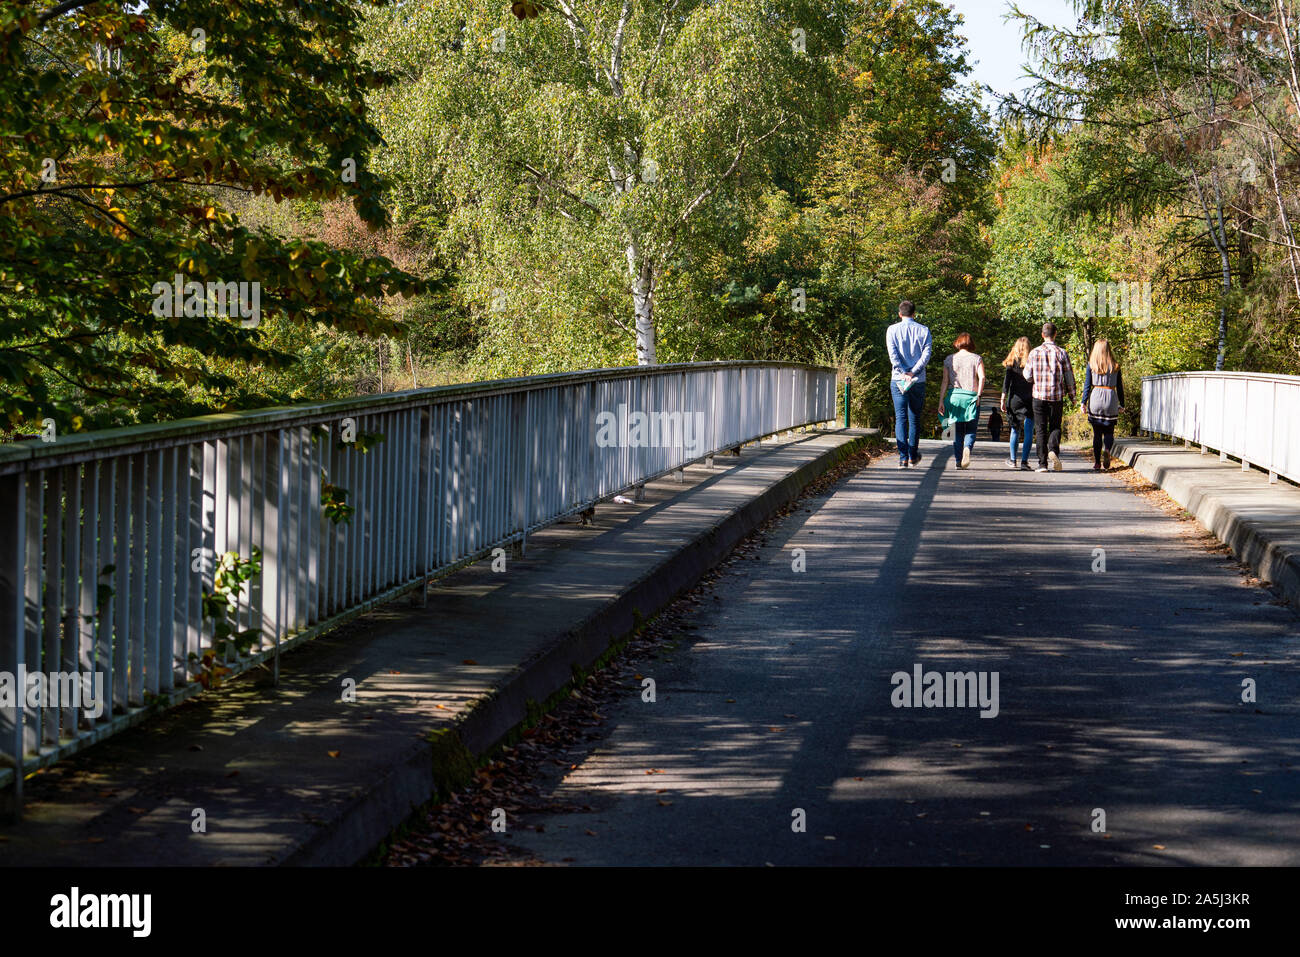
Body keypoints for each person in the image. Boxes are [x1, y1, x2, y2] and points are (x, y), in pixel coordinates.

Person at [1023, 322, 1076, 473]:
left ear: (1042, 335)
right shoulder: (1062, 353)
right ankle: (1053, 449)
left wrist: (1034, 380)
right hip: (1056, 396)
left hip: (1038, 396)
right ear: (1055, 334)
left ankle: (1042, 464)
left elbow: (1026, 375)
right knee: (1055, 426)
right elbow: (1069, 377)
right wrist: (1072, 396)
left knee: (1040, 429)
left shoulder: (1034, 352)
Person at [885, 300, 932, 469]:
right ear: (914, 313)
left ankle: (903, 458)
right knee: (914, 419)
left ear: (900, 314)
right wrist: (914, 372)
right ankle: (913, 456)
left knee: (901, 417)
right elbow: (926, 355)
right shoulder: (924, 330)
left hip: (898, 379)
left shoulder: (891, 330)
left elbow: (893, 354)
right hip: (917, 380)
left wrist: (903, 371)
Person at [938, 332, 984, 469]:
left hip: (954, 398)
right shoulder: (977, 358)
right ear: (971, 344)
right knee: (971, 429)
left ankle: (958, 461)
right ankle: (967, 448)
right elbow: (982, 377)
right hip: (971, 398)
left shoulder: (949, 359)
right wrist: (979, 395)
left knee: (957, 431)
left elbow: (945, 381)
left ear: (958, 343)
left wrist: (941, 400)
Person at [1081, 338, 1125, 470]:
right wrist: (1122, 404)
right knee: (1109, 432)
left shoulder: (1092, 365)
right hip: (1110, 397)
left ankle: (1097, 463)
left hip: (1096, 398)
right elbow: (1120, 387)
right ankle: (1107, 450)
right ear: (1109, 350)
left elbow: (1087, 386)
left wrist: (1083, 402)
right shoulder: (1116, 366)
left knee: (1097, 433)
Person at [999, 336, 1035, 471]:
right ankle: (1024, 462)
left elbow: (1006, 382)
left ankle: (1013, 460)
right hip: (1031, 399)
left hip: (1015, 399)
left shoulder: (1011, 362)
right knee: (1029, 431)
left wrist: (1003, 398)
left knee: (1015, 429)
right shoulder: (1032, 361)